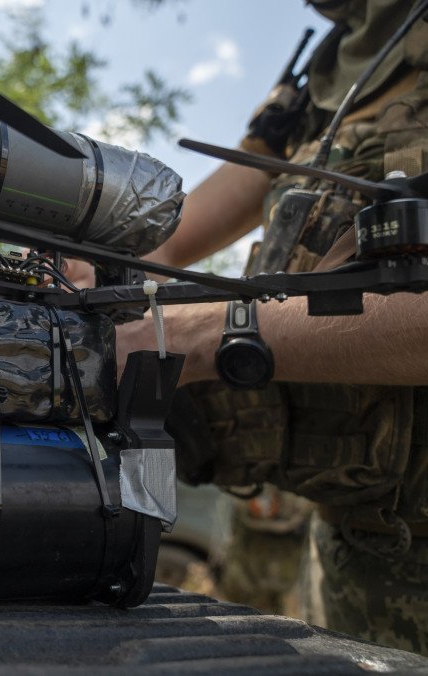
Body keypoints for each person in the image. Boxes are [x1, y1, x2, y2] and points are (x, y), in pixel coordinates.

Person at [68, 0, 428, 654]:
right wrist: (89, 266)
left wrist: (194, 335)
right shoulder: (334, 70)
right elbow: (167, 238)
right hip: (354, 541)